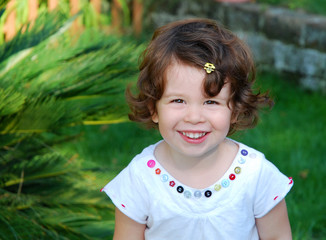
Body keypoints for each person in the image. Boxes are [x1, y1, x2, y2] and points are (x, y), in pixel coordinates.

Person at [101, 18, 293, 240]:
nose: (194, 117)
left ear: (235, 110)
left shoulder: (256, 176)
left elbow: (278, 236)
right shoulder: (139, 179)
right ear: (154, 108)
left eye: (211, 102)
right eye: (178, 101)